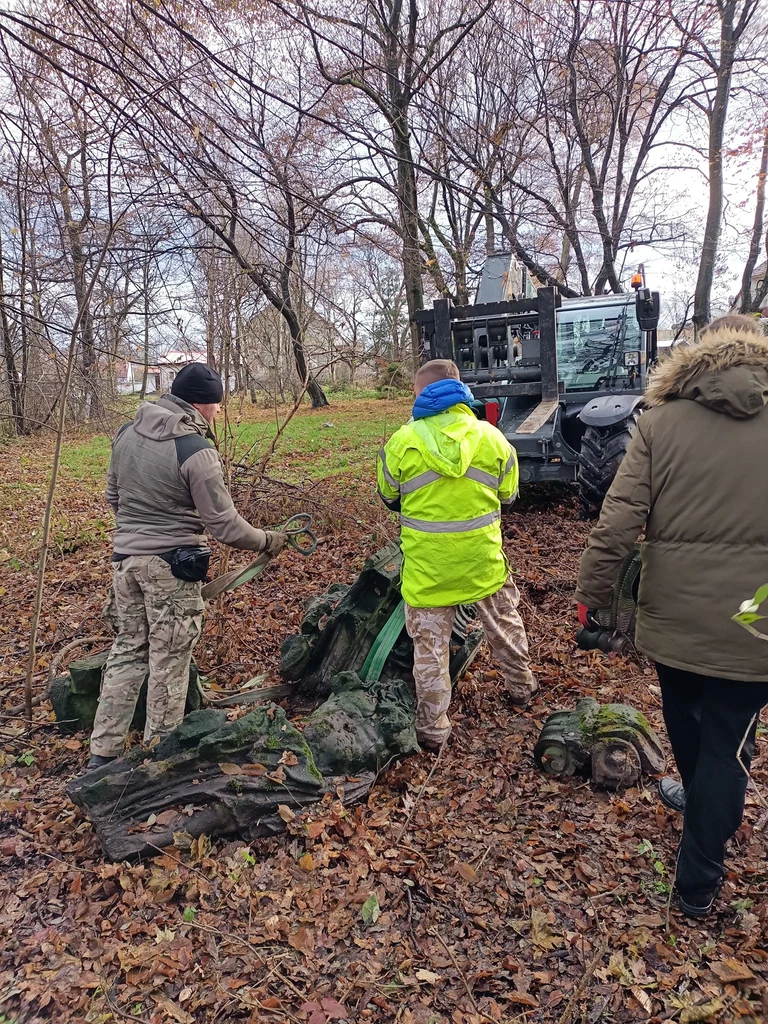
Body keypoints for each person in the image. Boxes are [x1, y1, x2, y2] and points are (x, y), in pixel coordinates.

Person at [576, 315, 768, 919]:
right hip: (755, 621)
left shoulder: (658, 424)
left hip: (676, 621)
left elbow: (617, 522)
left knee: (687, 719)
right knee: (729, 742)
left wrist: (593, 599)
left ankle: (695, 879)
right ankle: (710, 813)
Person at [88, 363, 289, 769]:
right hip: (172, 567)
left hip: (124, 563)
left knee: (128, 652)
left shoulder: (125, 434)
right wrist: (268, 540)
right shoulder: (195, 449)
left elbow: (113, 497)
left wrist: (139, 530)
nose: (216, 413)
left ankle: (102, 753)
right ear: (204, 403)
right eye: (215, 406)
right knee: (169, 659)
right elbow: (224, 525)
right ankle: (160, 759)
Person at [377, 358, 537, 751]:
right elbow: (509, 496)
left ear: (420, 393)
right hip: (482, 562)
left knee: (429, 648)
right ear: (459, 389)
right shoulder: (493, 438)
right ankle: (521, 687)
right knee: (504, 624)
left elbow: (389, 497)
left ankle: (433, 728)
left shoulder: (400, 443)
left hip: (429, 570)